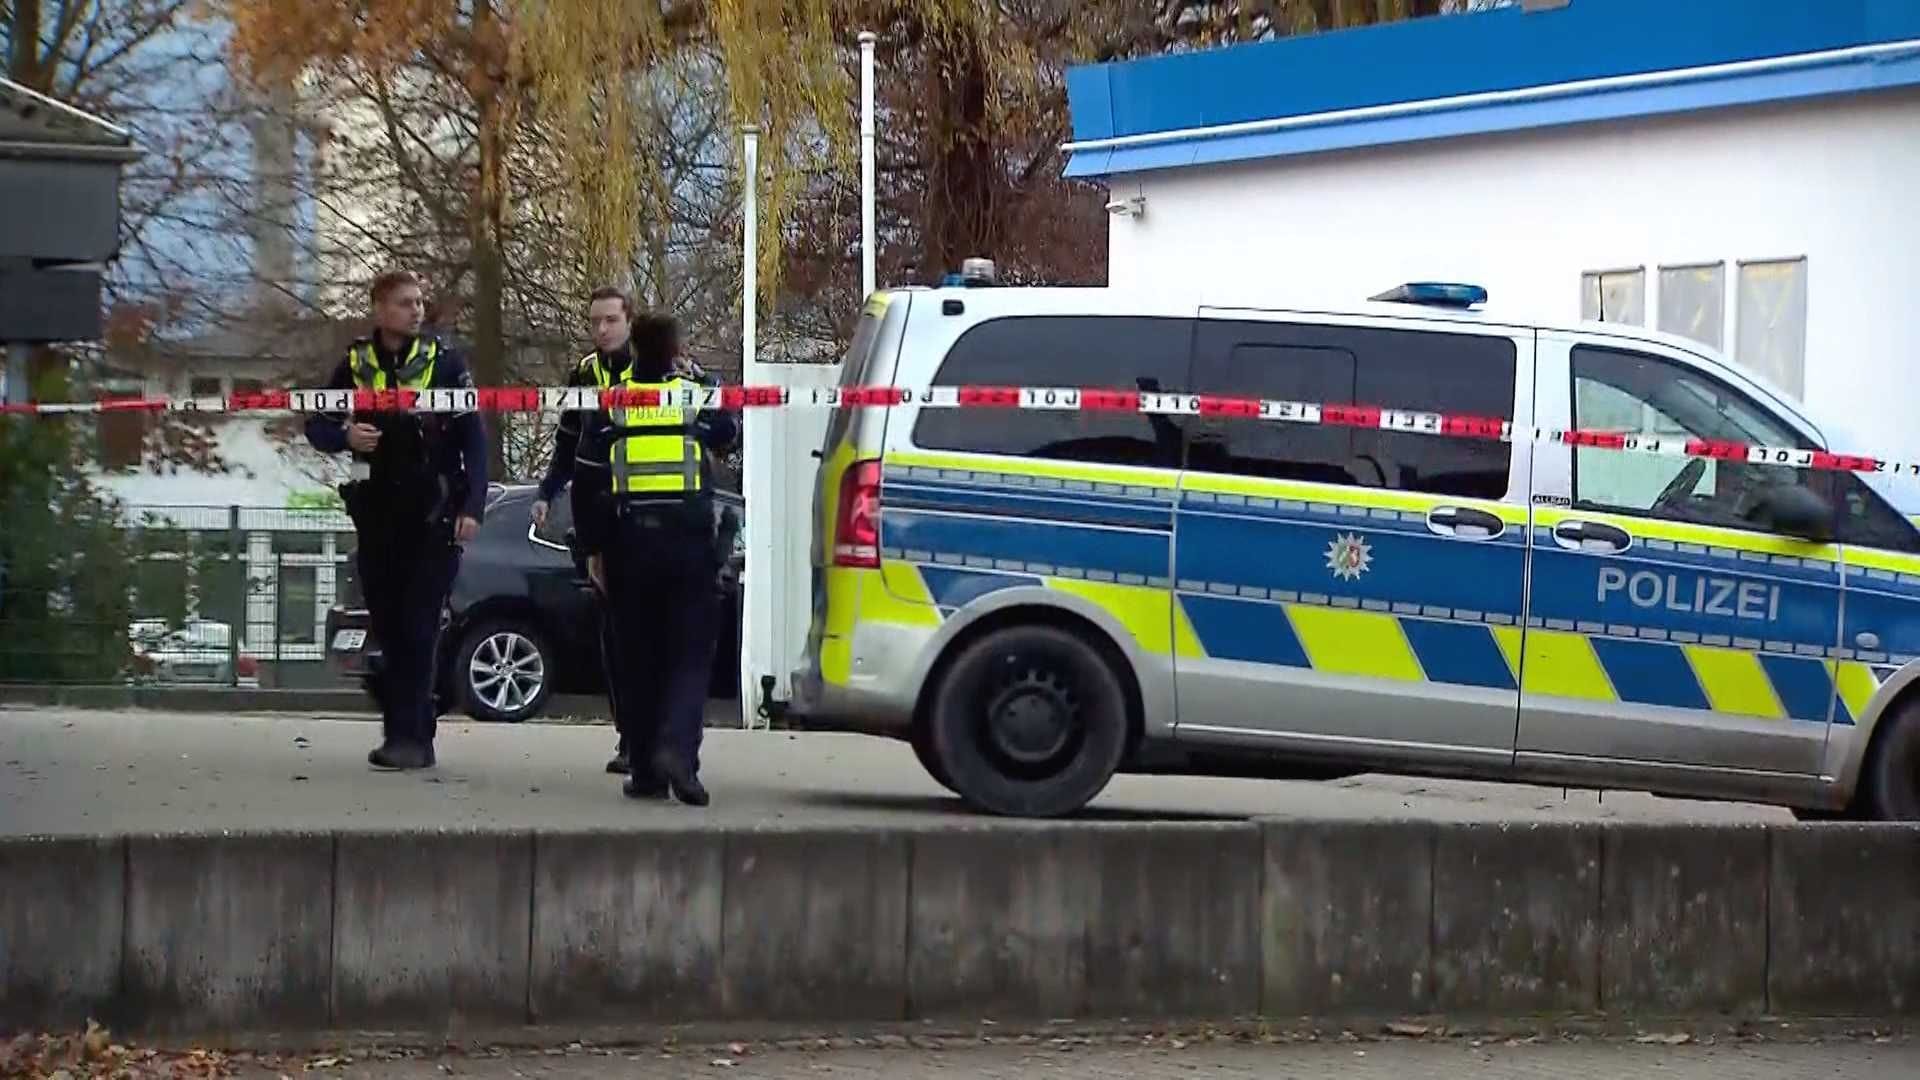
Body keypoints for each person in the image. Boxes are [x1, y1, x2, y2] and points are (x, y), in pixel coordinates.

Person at [543, 296, 736, 805]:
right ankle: (679, 754)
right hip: (689, 545)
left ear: (633, 345)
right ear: (673, 351)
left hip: (629, 545)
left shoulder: (610, 403)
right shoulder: (694, 396)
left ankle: (647, 769)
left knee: (638, 659)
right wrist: (701, 378)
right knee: (690, 656)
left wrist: (594, 549)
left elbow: (587, 477)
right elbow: (728, 431)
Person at [305, 269, 487, 771]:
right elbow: (315, 421)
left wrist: (474, 506)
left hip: (432, 511)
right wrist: (345, 438)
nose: (416, 310)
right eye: (405, 302)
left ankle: (410, 739)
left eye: (419, 302)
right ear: (380, 308)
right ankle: (410, 722)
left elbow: (474, 435)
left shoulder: (445, 362)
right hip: (378, 511)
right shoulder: (356, 362)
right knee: (387, 625)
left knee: (420, 626)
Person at [533, 286, 635, 774]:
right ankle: (628, 736)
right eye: (595, 321)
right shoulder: (584, 373)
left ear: (629, 322)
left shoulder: (655, 366)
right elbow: (568, 442)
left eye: (611, 320)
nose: (602, 330)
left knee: (646, 634)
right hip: (596, 515)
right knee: (614, 635)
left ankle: (651, 734)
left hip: (646, 514)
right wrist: (545, 492)